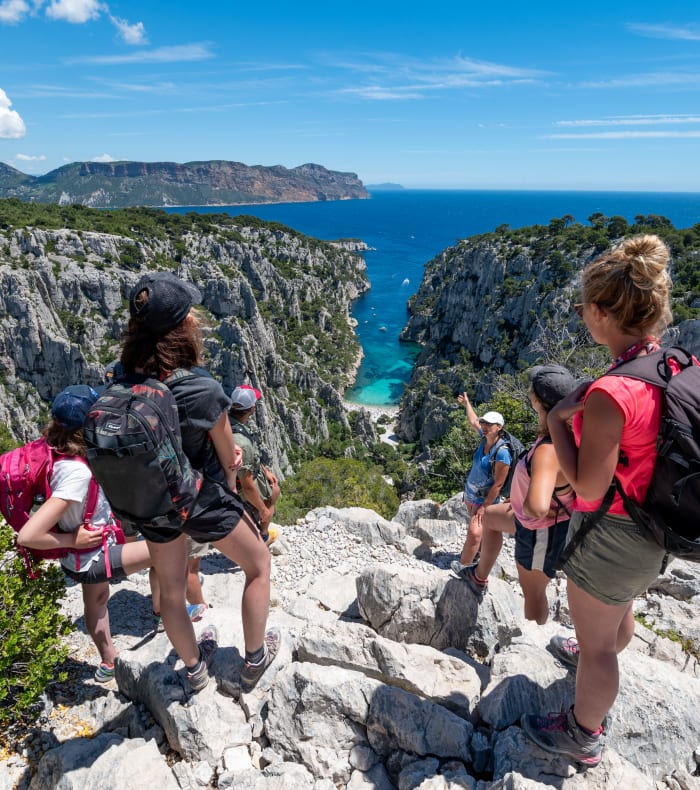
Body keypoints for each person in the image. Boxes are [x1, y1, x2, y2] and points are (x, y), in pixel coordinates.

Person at [521, 235, 673, 768]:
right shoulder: (672, 362)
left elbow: (587, 487)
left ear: (602, 312)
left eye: (586, 305)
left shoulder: (613, 392)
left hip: (615, 532)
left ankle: (583, 733)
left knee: (600, 642)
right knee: (618, 610)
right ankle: (591, 655)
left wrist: (558, 419)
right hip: (656, 522)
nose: (583, 313)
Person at [120, 271, 278, 693]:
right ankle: (254, 660)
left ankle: (194, 671)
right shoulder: (200, 387)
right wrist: (231, 471)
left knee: (171, 591)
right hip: (198, 500)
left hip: (152, 504)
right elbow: (229, 459)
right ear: (180, 328)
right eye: (189, 313)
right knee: (259, 564)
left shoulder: (123, 378)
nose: (196, 318)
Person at [16, 385, 153, 682]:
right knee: (168, 549)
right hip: (90, 556)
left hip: (78, 559)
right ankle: (170, 612)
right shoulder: (77, 473)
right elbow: (27, 536)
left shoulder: (54, 450)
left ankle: (109, 661)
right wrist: (70, 540)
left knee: (97, 601)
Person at [456, 365, 577, 625]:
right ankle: (479, 577)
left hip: (539, 530)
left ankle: (531, 637)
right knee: (488, 518)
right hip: (530, 519)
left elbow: (537, 507)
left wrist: (524, 498)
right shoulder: (566, 432)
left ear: (536, 400)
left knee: (532, 595)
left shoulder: (547, 449)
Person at [450, 396, 512, 577]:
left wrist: (485, 507)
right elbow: (473, 420)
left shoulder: (502, 454)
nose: (484, 426)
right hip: (470, 495)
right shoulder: (485, 438)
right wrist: (468, 403)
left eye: (489, 424)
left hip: (483, 500)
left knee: (474, 534)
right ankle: (480, 557)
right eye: (484, 423)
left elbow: (499, 484)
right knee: (480, 532)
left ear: (499, 427)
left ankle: (463, 569)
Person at [229, 384, 280, 544]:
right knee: (272, 499)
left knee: (275, 488)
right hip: (242, 487)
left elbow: (252, 458)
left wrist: (265, 471)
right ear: (251, 409)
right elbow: (247, 485)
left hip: (246, 475)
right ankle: (263, 537)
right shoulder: (242, 443)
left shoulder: (226, 422)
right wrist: (263, 510)